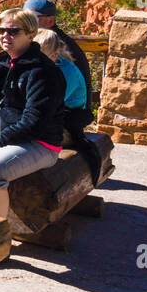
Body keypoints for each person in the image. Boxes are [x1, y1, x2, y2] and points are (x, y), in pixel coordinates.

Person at [0, 8, 66, 220]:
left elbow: (34, 122)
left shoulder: (43, 72)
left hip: (39, 142)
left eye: (13, 32)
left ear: (31, 35)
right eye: (1, 30)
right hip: (0, 134)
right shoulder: (0, 63)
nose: (5, 36)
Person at [36, 29, 103, 185]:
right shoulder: (51, 64)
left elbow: (50, 104)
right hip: (55, 118)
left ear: (54, 52)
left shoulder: (66, 71)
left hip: (67, 124)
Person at [25, 0, 91, 98]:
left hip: (67, 111)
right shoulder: (48, 41)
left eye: (32, 18)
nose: (26, 22)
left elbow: (51, 97)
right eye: (25, 17)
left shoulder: (60, 48)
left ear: (50, 21)